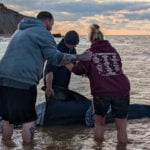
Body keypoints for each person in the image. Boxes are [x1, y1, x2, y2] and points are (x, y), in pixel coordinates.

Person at [0, 11, 91, 144]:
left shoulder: (19, 31)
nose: (52, 27)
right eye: (52, 23)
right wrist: (80, 57)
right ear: (47, 20)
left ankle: (6, 145)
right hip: (23, 81)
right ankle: (28, 147)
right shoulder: (43, 32)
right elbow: (55, 59)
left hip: (2, 78)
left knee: (7, 118)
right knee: (28, 119)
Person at [65, 24, 130, 144]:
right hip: (122, 89)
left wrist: (64, 62)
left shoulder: (89, 52)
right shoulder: (113, 51)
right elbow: (115, 68)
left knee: (99, 123)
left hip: (102, 92)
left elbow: (78, 70)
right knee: (121, 127)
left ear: (90, 39)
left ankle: (98, 147)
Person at [44, 30, 79, 98]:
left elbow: (74, 66)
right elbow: (49, 71)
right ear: (67, 42)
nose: (75, 46)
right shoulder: (56, 51)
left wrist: (83, 71)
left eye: (76, 44)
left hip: (64, 86)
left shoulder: (72, 50)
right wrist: (48, 87)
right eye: (74, 44)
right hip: (53, 86)